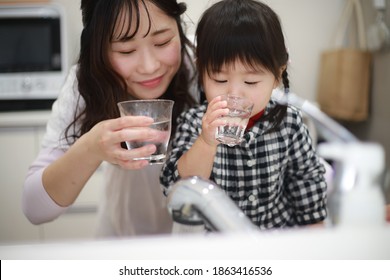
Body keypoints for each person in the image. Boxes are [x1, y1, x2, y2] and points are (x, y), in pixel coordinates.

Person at [22, 0, 199, 237]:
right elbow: (34, 208)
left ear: (178, 28)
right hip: (122, 240)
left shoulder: (204, 65)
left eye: (162, 42)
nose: (148, 67)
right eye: (126, 50)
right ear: (99, 50)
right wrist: (90, 147)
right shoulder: (86, 83)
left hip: (200, 247)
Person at [160, 0, 327, 230]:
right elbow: (180, 186)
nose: (234, 93)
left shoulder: (290, 123)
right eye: (219, 80)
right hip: (219, 249)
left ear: (278, 76)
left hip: (277, 237)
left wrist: (314, 228)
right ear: (201, 73)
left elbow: (306, 180)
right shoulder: (193, 122)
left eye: (251, 81)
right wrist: (206, 142)